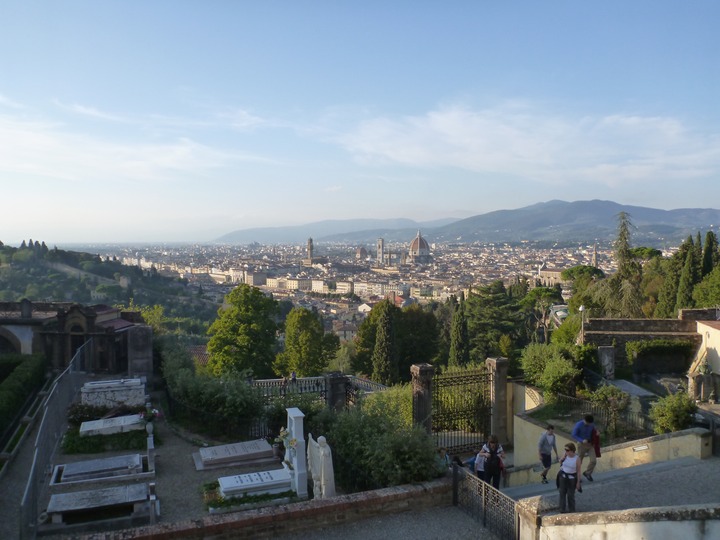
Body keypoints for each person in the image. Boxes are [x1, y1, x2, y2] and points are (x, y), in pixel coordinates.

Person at [571, 414, 599, 482]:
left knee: (593, 461)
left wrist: (597, 432)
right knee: (579, 461)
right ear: (584, 420)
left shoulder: (591, 424)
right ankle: (577, 476)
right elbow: (573, 434)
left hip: (590, 444)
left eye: (590, 423)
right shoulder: (579, 425)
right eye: (588, 423)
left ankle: (587, 473)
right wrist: (581, 440)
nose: (589, 424)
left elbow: (594, 430)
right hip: (581, 444)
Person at [558, 442, 581, 513]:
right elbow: (560, 462)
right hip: (563, 477)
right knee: (562, 493)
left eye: (567, 450)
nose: (566, 451)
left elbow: (579, 471)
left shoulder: (577, 459)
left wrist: (578, 483)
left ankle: (572, 509)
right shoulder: (565, 455)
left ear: (572, 450)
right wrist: (562, 458)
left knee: (570, 495)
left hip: (571, 479)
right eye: (565, 450)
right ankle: (562, 509)